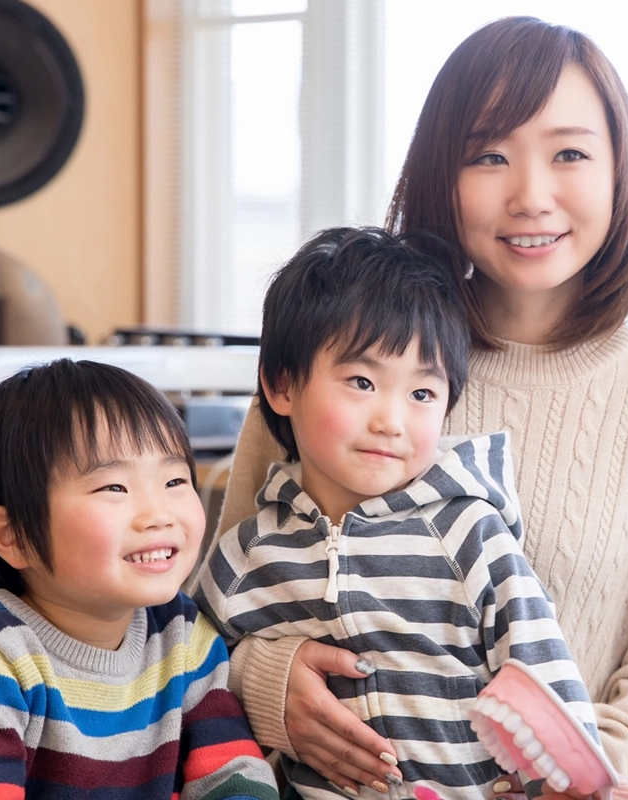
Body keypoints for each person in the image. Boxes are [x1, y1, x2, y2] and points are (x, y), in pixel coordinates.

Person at [199, 17, 628, 800]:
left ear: (619, 172)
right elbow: (222, 595)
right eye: (489, 156)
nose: (531, 195)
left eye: (569, 153)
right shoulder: (341, 358)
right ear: (441, 174)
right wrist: (265, 677)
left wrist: (582, 777)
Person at [194, 226, 604, 800]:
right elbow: (190, 673)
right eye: (362, 381)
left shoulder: (468, 533)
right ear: (282, 385)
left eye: (422, 395)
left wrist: (572, 785)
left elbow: (543, 668)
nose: (392, 421)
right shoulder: (245, 556)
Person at [0, 359, 279, 800]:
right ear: (14, 535)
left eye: (175, 479)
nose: (158, 515)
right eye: (114, 488)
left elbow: (233, 776)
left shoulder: (183, 635)